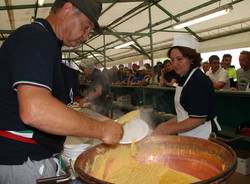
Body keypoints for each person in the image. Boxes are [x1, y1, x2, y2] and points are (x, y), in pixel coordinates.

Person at [0, 1, 123, 183]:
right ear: (67, 8)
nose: (86, 35)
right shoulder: (35, 37)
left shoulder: (48, 43)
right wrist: (102, 129)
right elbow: (36, 110)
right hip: (23, 162)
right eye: (86, 26)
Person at [154, 45, 220, 139]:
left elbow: (198, 119)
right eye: (172, 60)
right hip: (188, 134)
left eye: (179, 59)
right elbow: (184, 115)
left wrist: (167, 129)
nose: (175, 63)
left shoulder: (198, 80)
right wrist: (165, 125)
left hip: (202, 135)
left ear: (191, 59)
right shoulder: (184, 78)